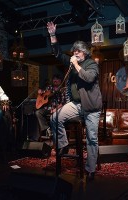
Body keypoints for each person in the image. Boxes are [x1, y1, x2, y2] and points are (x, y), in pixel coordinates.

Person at [46, 21, 103, 180]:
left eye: (78, 51)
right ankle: (63, 144)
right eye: (74, 51)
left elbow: (89, 77)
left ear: (84, 52)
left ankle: (90, 169)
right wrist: (52, 35)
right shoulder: (72, 63)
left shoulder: (91, 64)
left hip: (91, 107)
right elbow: (58, 54)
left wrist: (76, 65)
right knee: (54, 117)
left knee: (91, 138)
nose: (75, 53)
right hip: (76, 104)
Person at [35, 74, 66, 141]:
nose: (55, 80)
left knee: (54, 117)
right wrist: (40, 92)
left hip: (57, 109)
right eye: (54, 79)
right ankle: (47, 129)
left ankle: (57, 136)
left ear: (60, 81)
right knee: (38, 112)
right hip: (47, 109)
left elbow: (63, 103)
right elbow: (42, 93)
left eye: (57, 79)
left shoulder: (62, 90)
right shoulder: (49, 87)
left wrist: (56, 109)